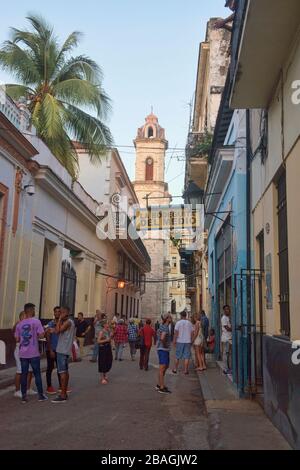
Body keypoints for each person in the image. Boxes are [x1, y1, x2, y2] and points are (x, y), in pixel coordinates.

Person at [14, 303, 48, 403]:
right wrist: (39, 334)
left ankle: (24, 397)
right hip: (33, 353)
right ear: (31, 310)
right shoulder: (36, 322)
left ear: (25, 311)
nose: (34, 311)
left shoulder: (19, 324)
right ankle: (41, 396)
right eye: (34, 309)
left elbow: (17, 339)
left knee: (24, 374)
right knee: (37, 374)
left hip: (23, 353)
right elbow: (41, 336)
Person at [52, 306, 75, 403]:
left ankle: (63, 394)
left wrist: (60, 319)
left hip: (62, 350)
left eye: (61, 312)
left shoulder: (68, 322)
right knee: (65, 371)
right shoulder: (69, 322)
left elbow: (57, 331)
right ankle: (64, 392)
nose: (59, 314)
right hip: (65, 350)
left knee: (62, 372)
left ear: (66, 312)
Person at [13, 311, 36, 398]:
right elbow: (17, 339)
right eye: (25, 317)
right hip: (20, 351)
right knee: (20, 370)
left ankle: (28, 388)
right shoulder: (18, 325)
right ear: (21, 317)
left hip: (29, 351)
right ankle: (17, 390)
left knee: (30, 370)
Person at [45, 306, 61, 394]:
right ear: (54, 313)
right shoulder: (50, 324)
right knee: (50, 368)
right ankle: (49, 386)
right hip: (51, 350)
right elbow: (47, 337)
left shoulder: (62, 324)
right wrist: (50, 350)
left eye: (59, 311)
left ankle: (61, 386)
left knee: (60, 368)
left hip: (60, 350)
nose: (57, 313)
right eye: (56, 311)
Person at [172, 311, 194, 375]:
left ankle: (175, 369)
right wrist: (191, 340)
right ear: (186, 315)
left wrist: (174, 341)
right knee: (186, 357)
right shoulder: (189, 323)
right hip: (187, 341)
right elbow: (192, 333)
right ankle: (186, 370)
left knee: (177, 356)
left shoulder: (178, 323)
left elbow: (176, 333)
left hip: (180, 341)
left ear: (181, 316)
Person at [156, 313, 172, 394]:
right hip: (163, 349)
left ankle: (159, 384)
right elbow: (162, 338)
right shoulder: (165, 327)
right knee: (162, 368)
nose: (171, 318)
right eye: (170, 317)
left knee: (165, 366)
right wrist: (165, 345)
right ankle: (161, 387)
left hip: (162, 349)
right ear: (167, 319)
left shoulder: (163, 326)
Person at [98, 320, 113, 385]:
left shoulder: (108, 331)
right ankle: (102, 377)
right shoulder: (101, 332)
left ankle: (105, 373)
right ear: (104, 325)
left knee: (109, 360)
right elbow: (98, 341)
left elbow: (110, 338)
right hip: (103, 348)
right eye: (107, 324)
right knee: (102, 362)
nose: (108, 325)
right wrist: (106, 340)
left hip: (108, 347)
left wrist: (111, 334)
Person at [221, 305, 232, 374]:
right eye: (226, 309)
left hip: (229, 338)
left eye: (228, 309)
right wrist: (234, 328)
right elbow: (227, 328)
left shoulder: (228, 317)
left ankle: (228, 368)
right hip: (226, 339)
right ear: (224, 310)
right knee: (226, 354)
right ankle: (225, 369)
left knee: (228, 354)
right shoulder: (224, 318)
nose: (228, 310)